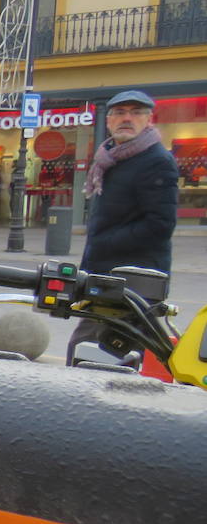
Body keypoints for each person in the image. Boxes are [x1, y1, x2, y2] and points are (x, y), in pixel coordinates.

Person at [66, 89, 179, 364]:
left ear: (149, 120)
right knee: (91, 353)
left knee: (99, 355)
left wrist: (104, 243)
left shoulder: (156, 161)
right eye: (119, 113)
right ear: (108, 120)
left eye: (135, 112)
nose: (126, 118)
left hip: (134, 280)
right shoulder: (111, 158)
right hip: (107, 277)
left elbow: (160, 225)